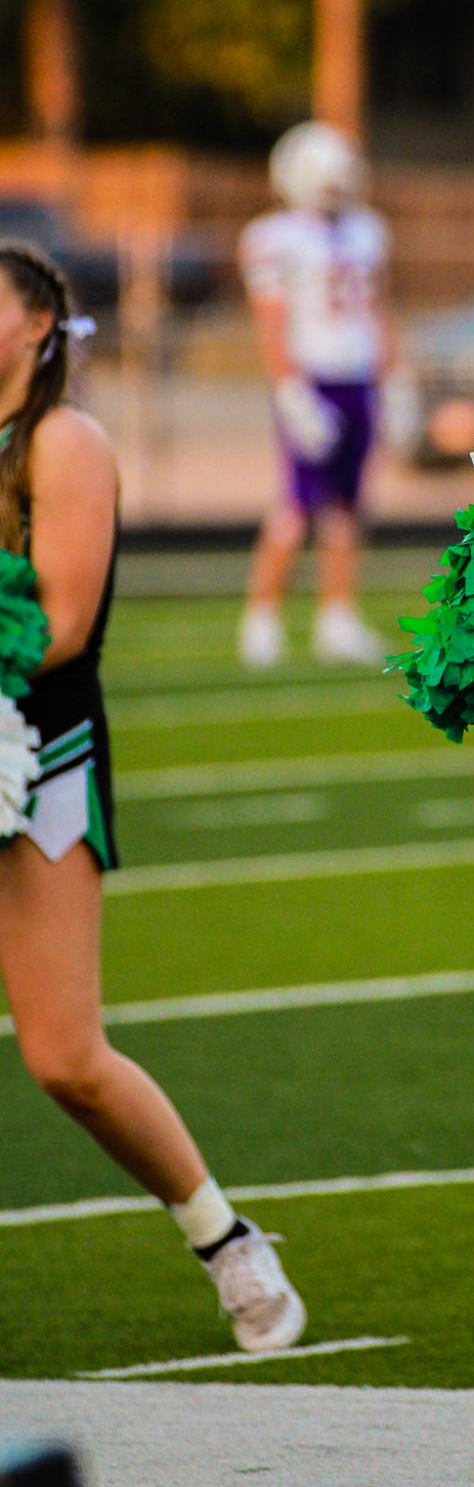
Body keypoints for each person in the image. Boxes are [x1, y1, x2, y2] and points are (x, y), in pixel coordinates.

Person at [0, 241, 306, 1352]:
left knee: (65, 1056)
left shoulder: (63, 441)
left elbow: (62, 625)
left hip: (34, 757)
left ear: (39, 326)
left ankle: (224, 1237)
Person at [237, 121, 396, 668]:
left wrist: (390, 377)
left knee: (347, 508)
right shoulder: (275, 237)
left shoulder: (367, 231)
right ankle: (260, 617)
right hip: (312, 378)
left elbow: (377, 310)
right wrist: (288, 387)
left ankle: (338, 617)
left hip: (357, 378)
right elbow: (271, 319)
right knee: (295, 506)